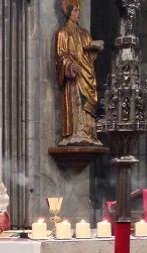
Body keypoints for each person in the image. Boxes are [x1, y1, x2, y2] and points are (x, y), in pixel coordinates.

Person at [55, 0, 103, 146]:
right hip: (74, 77)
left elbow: (89, 56)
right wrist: (70, 65)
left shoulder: (84, 33)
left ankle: (88, 133)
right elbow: (60, 55)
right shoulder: (63, 33)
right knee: (77, 102)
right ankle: (76, 132)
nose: (78, 13)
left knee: (87, 102)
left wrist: (94, 50)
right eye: (75, 10)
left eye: (79, 10)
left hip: (86, 74)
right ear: (69, 12)